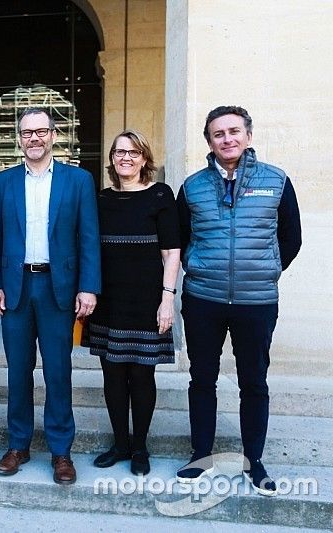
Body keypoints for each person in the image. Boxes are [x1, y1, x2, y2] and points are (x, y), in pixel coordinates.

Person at [175, 106, 302, 496]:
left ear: (248, 134)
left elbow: (291, 237)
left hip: (256, 301)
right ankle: (201, 455)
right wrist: (198, 268)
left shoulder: (276, 181)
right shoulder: (193, 186)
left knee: (253, 381)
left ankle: (255, 461)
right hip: (204, 299)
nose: (227, 139)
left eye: (234, 131)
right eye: (218, 134)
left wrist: (264, 270)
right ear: (209, 141)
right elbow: (181, 239)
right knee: (202, 379)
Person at [0, 107, 101, 485]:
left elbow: (88, 238)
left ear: (53, 135)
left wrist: (88, 287)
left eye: (41, 131)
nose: (34, 138)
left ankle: (61, 451)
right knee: (18, 371)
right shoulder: (2, 182)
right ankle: (18, 445)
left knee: (58, 371)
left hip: (58, 289)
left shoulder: (78, 180)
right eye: (26, 132)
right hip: (16, 288)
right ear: (19, 139)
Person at [86, 130, 180, 476]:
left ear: (144, 158)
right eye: (119, 152)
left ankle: (140, 446)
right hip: (109, 300)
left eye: (133, 152)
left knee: (142, 376)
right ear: (111, 159)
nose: (125, 157)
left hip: (146, 301)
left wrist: (167, 300)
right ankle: (120, 443)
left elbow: (172, 252)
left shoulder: (160, 195)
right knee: (112, 375)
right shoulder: (101, 199)